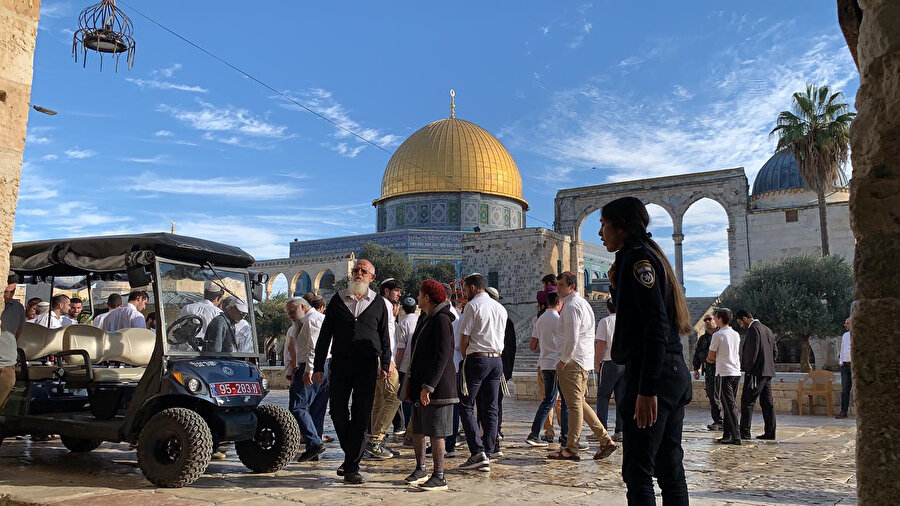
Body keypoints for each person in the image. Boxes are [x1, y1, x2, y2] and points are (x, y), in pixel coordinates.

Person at [602, 196, 692, 504]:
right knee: (669, 469)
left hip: (653, 374)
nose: (600, 233)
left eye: (604, 225)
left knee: (639, 473)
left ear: (622, 228)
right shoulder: (642, 256)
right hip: (671, 371)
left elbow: (655, 326)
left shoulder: (638, 259)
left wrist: (647, 389)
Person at [313, 259, 391, 485]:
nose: (358, 273)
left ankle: (352, 467)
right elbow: (325, 336)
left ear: (371, 277)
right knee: (337, 412)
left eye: (363, 271)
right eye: (355, 270)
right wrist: (318, 366)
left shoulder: (378, 303)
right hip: (340, 364)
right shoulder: (338, 300)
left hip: (367, 365)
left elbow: (385, 337)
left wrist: (385, 364)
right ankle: (351, 456)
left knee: (361, 414)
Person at [548, 271, 616, 461]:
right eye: (558, 285)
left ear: (571, 287)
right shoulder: (581, 304)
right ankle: (605, 440)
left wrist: (564, 359)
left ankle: (571, 448)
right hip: (581, 360)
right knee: (579, 402)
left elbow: (572, 337)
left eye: (561, 285)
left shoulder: (571, 307)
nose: (558, 288)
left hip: (573, 361)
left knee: (574, 405)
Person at [402, 279, 458, 491]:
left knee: (436, 431)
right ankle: (421, 468)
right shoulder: (425, 318)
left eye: (419, 293)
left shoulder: (442, 320)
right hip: (420, 385)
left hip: (437, 388)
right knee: (418, 428)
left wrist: (430, 386)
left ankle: (440, 475)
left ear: (427, 297)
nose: (417, 297)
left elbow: (443, 355)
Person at [457, 273, 507, 473]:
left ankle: (477, 451)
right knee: (491, 406)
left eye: (464, 289)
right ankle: (489, 448)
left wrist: (465, 358)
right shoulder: (500, 308)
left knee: (466, 405)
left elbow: (464, 339)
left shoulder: (472, 306)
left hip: (477, 358)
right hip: (496, 359)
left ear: (472, 288)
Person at [366, 279, 403, 459]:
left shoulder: (379, 304)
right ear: (386, 291)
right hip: (385, 359)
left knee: (379, 400)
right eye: (396, 290)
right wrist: (388, 361)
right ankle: (376, 440)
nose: (399, 294)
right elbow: (385, 334)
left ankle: (373, 440)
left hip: (380, 357)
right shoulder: (385, 305)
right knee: (394, 397)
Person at [526, 290, 568, 447]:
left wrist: (544, 347)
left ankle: (536, 432)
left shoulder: (540, 319)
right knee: (559, 400)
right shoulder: (559, 319)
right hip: (556, 363)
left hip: (544, 363)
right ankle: (564, 435)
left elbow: (532, 345)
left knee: (548, 400)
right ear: (559, 302)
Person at [293, 294, 330, 462]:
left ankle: (314, 442)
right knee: (317, 407)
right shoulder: (317, 318)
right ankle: (313, 447)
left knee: (298, 406)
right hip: (325, 366)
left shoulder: (311, 320)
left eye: (292, 312)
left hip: (313, 367)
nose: (291, 316)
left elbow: (314, 349)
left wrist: (308, 370)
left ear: (302, 307)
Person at [736, 309, 777, 440]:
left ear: (745, 318)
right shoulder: (767, 329)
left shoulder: (753, 330)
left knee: (747, 401)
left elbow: (751, 353)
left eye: (740, 322)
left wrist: (748, 370)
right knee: (767, 402)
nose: (741, 326)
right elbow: (775, 351)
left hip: (756, 373)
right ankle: (770, 432)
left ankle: (745, 432)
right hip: (767, 371)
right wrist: (768, 364)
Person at [486, 286, 516, 456]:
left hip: (498, 366)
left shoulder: (503, 319)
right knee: (494, 402)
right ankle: (494, 431)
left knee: (492, 402)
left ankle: (494, 433)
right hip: (499, 365)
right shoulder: (504, 317)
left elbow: (510, 348)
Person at [707, 308, 742, 445]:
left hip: (723, 372)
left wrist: (710, 360)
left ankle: (736, 435)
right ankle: (727, 434)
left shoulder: (718, 335)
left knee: (729, 405)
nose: (714, 320)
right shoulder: (735, 334)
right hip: (735, 372)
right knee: (728, 405)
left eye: (715, 317)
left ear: (720, 318)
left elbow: (711, 356)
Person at [594, 299, 625, 442]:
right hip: (623, 364)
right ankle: (620, 430)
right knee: (621, 398)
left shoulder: (605, 322)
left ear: (608, 308)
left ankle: (601, 430)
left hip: (609, 361)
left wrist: (597, 362)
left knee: (603, 396)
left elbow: (601, 344)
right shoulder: (626, 321)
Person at [693, 314, 723, 431]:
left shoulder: (721, 334)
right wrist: (696, 369)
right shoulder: (703, 338)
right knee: (712, 395)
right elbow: (697, 353)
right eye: (705, 320)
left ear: (715, 321)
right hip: (709, 371)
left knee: (723, 396)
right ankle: (718, 420)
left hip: (722, 369)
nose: (707, 322)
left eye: (709, 319)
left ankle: (727, 421)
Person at [393, 296, 418, 438]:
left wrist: (396, 365)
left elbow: (400, 349)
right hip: (417, 365)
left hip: (404, 367)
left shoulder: (403, 324)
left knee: (406, 399)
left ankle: (409, 427)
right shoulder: (420, 322)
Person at [836, 317, 852, 419]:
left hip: (855, 366)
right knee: (845, 389)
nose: (845, 325)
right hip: (845, 365)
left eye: (847, 323)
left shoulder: (860, 334)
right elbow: (842, 349)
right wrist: (841, 362)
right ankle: (844, 411)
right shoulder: (845, 335)